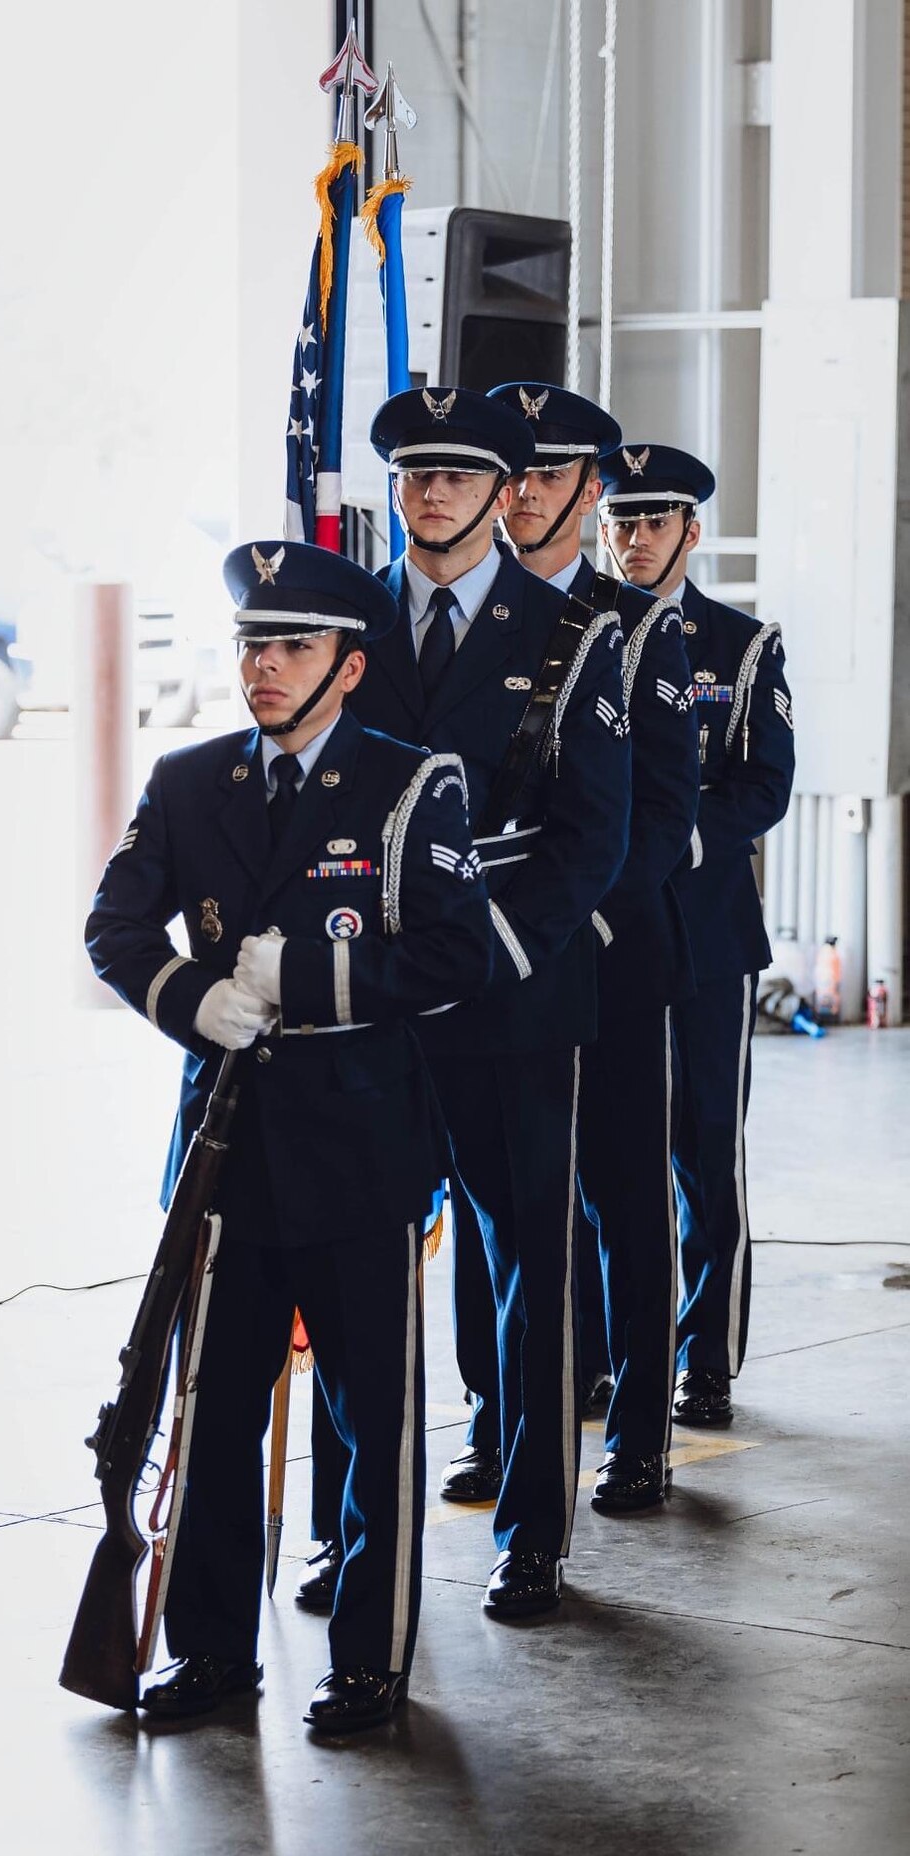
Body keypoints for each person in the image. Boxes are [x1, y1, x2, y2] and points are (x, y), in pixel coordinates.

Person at [84, 540, 493, 1732]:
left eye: (294, 645)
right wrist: (184, 995)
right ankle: (212, 1652)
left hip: (361, 1150)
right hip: (225, 1151)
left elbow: (455, 953)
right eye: (253, 643)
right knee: (214, 1418)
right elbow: (114, 922)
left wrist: (308, 973)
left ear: (351, 666)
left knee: (375, 1420)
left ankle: (369, 1658)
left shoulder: (417, 785)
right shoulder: (189, 777)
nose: (264, 666)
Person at [346, 384, 632, 1616]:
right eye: (416, 475)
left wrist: (494, 949)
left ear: (504, 490)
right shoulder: (349, 623)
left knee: (528, 1258)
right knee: (355, 1268)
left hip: (510, 991)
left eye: (460, 477)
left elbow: (594, 836)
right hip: (372, 1002)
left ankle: (532, 1530)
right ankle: (356, 1540)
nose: (433, 495)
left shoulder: (571, 634)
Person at [482, 383, 699, 1511]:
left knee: (621, 1190)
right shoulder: (484, 617)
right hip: (493, 962)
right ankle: (501, 1412)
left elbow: (660, 811)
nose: (520, 496)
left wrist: (572, 917)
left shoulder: (635, 624)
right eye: (509, 474)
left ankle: (641, 1429)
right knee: (507, 1207)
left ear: (591, 490)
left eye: (548, 476)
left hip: (608, 953)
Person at [598, 444, 795, 1426]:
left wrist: (670, 835)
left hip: (703, 931)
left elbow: (764, 785)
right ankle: (601, 1351)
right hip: (593, 934)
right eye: (621, 521)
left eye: (654, 520)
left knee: (704, 1148)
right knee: (598, 1152)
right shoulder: (575, 634)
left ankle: (703, 1355)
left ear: (691, 530)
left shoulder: (740, 644)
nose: (635, 538)